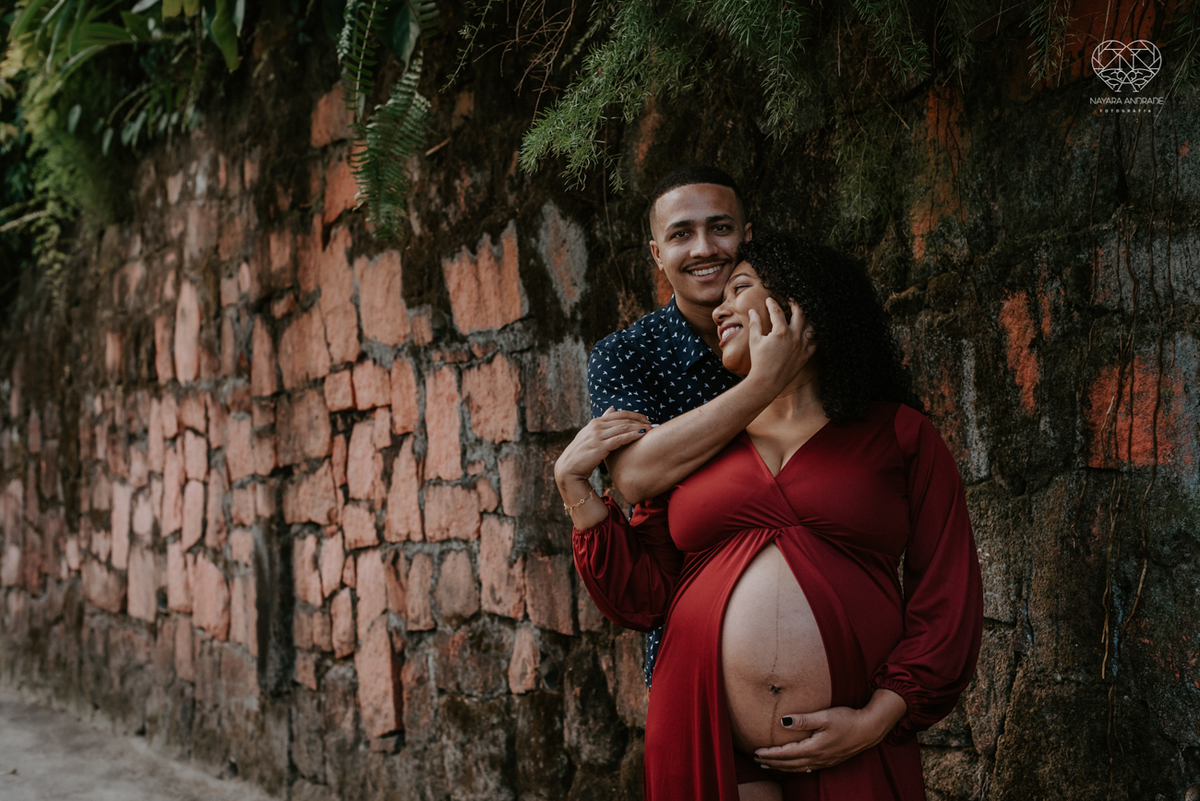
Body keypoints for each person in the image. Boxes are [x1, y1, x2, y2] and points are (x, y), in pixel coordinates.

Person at [556, 234, 984, 800]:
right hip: (703, 734)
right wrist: (577, 492)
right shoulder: (698, 444)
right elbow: (644, 597)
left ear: (801, 302)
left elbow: (946, 597)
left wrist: (877, 719)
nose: (720, 308)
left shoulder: (901, 434)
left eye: (740, 289)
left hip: (852, 733)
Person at [586, 165, 815, 685]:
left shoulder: (806, 328)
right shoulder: (627, 355)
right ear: (657, 255)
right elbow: (636, 475)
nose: (704, 248)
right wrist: (760, 387)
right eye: (681, 234)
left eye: (721, 228)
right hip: (695, 649)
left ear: (747, 236)